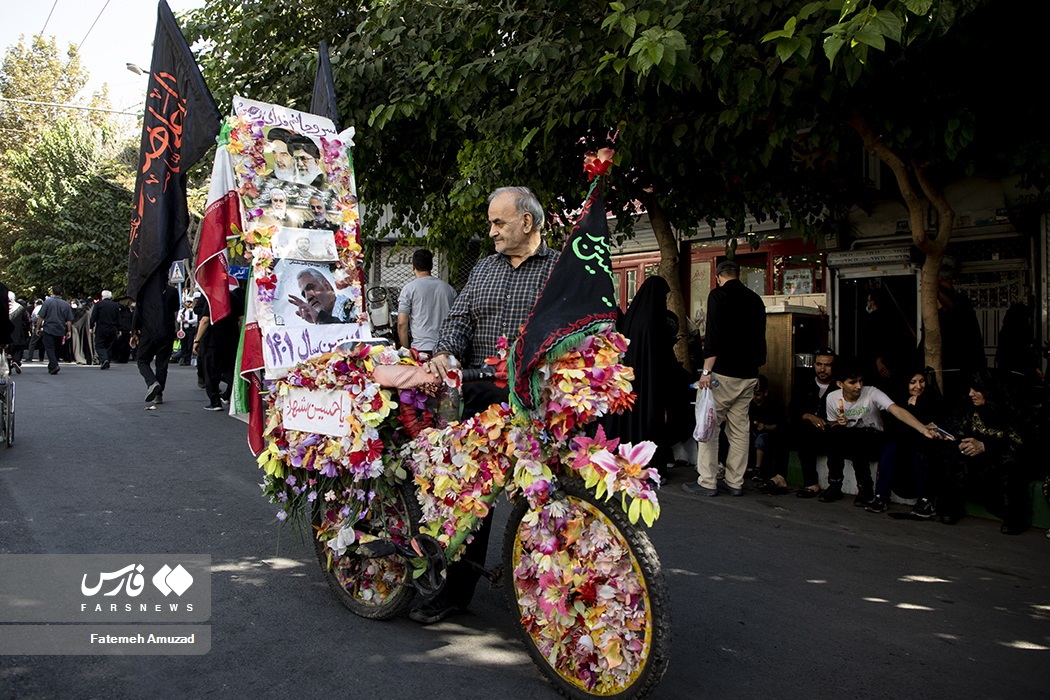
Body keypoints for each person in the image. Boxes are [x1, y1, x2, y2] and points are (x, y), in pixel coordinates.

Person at [413, 185, 558, 625]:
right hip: (482, 393)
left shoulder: (562, 269)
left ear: (527, 222)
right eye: (491, 222)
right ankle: (455, 591)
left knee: (549, 497)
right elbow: (458, 322)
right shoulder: (484, 269)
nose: (491, 230)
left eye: (499, 222)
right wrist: (444, 353)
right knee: (470, 496)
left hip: (542, 399)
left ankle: (557, 596)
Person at [683, 260, 767, 497]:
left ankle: (707, 481)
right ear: (738, 275)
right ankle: (735, 482)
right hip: (749, 374)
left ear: (719, 277)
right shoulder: (755, 299)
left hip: (722, 373)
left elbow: (714, 334)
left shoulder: (718, 296)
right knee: (740, 429)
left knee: (709, 425)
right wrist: (757, 371)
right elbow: (761, 338)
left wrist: (706, 371)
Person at [602, 275, 693, 476]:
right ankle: (648, 464)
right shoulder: (656, 321)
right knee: (651, 423)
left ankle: (625, 461)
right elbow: (664, 358)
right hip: (651, 386)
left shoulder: (632, 318)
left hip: (629, 384)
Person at [820, 357, 937, 509]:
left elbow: (897, 411)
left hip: (873, 437)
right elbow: (831, 423)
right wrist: (838, 423)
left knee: (858, 438)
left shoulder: (871, 392)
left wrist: (922, 428)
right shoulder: (832, 398)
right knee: (835, 434)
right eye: (852, 382)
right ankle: (835, 484)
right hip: (850, 437)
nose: (858, 386)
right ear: (840, 384)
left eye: (860, 381)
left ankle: (865, 489)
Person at [939, 370, 1029, 534]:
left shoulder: (1009, 410)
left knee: (1011, 465)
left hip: (999, 460)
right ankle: (950, 507)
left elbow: (1020, 443)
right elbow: (956, 430)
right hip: (975, 462)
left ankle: (1014, 518)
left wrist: (985, 446)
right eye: (970, 389)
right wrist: (961, 444)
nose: (971, 394)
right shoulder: (969, 407)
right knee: (951, 455)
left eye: (976, 390)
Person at [883, 369, 945, 518]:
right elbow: (899, 428)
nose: (918, 386)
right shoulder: (898, 401)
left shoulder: (933, 399)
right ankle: (881, 495)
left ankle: (927, 499)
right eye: (912, 382)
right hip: (906, 445)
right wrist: (911, 409)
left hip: (930, 446)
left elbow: (938, 423)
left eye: (922, 381)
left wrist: (919, 407)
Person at [789, 350, 840, 498]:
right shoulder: (804, 384)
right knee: (781, 432)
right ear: (814, 365)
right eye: (819, 364)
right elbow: (792, 410)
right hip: (807, 433)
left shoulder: (839, 386)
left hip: (831, 433)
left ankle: (834, 486)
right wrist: (809, 416)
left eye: (827, 365)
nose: (822, 369)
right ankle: (780, 477)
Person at [194, 284, 245, 411]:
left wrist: (197, 340)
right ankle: (234, 396)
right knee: (230, 370)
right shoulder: (234, 298)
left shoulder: (212, 299)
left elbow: (205, 320)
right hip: (231, 340)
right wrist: (240, 338)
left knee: (211, 371)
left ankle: (215, 401)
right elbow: (241, 320)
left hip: (212, 341)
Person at [396, 249, 457, 355]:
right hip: (446, 348)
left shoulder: (408, 289)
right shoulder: (449, 289)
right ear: (431, 266)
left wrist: (406, 351)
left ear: (413, 267)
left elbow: (402, 323)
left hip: (420, 349)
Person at [130, 283, 180, 405]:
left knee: (142, 360)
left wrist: (134, 331)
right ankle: (158, 394)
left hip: (148, 330)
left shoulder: (145, 291)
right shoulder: (172, 291)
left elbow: (138, 312)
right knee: (162, 363)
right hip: (166, 329)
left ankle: (152, 382)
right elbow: (175, 312)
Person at [749, 374, 788, 494]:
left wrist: (764, 426)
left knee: (761, 439)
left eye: (758, 395)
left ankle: (758, 469)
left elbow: (777, 425)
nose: (755, 398)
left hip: (768, 434)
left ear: (765, 393)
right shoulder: (750, 405)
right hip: (752, 432)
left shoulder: (773, 404)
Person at [288, 268, 353, 324]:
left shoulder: (353, 309)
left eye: (311, 288)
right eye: (304, 295)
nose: (308, 297)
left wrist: (321, 318)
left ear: (327, 286)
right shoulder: (319, 323)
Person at [36, 287, 74, 375]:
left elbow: (41, 316)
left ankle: (54, 364)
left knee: (49, 347)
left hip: (49, 328)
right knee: (57, 348)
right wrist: (69, 331)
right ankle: (52, 365)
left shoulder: (48, 302)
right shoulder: (65, 304)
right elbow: (69, 320)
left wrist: (38, 328)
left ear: (52, 293)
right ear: (61, 293)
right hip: (60, 328)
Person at [90, 290, 122, 370]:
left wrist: (91, 326)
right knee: (109, 345)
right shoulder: (115, 305)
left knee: (99, 345)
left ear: (102, 296)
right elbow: (118, 318)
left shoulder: (98, 305)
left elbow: (93, 316)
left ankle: (104, 359)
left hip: (101, 328)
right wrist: (119, 329)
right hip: (112, 328)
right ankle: (107, 360)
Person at [8, 292, 30, 372]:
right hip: (18, 332)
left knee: (6, 350)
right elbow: (27, 320)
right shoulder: (20, 308)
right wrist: (27, 329)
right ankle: (16, 361)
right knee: (18, 348)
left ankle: (8, 366)